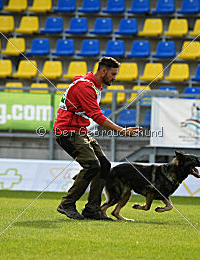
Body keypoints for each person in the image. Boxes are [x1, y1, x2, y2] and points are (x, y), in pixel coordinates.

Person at [53, 57, 141, 220]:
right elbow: (97, 117)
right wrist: (122, 130)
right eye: (113, 74)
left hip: (79, 130)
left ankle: (92, 209)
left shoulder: (92, 85)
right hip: (67, 131)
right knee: (92, 165)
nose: (115, 78)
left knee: (104, 165)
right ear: (103, 71)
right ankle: (67, 204)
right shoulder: (85, 86)